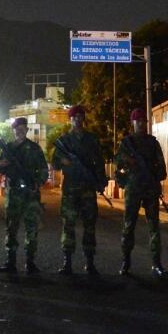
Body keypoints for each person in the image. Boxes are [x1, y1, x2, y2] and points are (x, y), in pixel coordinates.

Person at [51, 104, 106, 275]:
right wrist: (64, 162)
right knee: (68, 225)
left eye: (80, 117)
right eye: (74, 117)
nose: (77, 120)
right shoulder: (64, 140)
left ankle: (89, 262)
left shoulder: (92, 139)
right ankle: (67, 262)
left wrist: (100, 181)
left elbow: (99, 162)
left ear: (84, 119)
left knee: (89, 225)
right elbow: (54, 163)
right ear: (70, 120)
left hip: (88, 188)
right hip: (70, 189)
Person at [114, 108, 168, 277]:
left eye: (143, 122)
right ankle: (126, 262)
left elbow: (162, 169)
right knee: (129, 226)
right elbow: (117, 163)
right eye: (138, 122)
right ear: (133, 123)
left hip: (150, 189)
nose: (141, 124)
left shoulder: (153, 143)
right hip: (134, 189)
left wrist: (153, 174)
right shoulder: (127, 143)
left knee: (154, 228)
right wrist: (128, 161)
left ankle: (157, 264)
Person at [0, 116, 48, 274]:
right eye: (17, 129)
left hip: (31, 194)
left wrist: (38, 182)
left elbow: (44, 170)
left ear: (27, 130)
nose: (20, 131)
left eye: (22, 129)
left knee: (31, 229)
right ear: (13, 131)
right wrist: (1, 165)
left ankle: (30, 262)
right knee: (11, 228)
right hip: (13, 193)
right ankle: (10, 262)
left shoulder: (35, 148)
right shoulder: (8, 148)